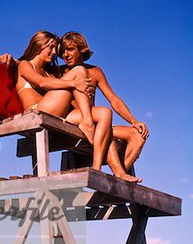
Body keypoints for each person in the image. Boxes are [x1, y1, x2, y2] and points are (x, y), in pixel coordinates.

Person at [4, 31, 112, 171]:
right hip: (36, 112)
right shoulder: (25, 65)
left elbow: (51, 83)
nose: (55, 52)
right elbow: (41, 83)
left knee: (105, 113)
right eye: (51, 47)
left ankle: (96, 168)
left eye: (56, 48)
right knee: (79, 71)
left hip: (54, 112)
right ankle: (87, 122)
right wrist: (75, 84)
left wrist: (82, 87)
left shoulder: (49, 71)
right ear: (39, 45)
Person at [58, 32, 149, 183]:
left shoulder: (95, 71)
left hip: (97, 119)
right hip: (79, 122)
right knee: (105, 129)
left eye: (70, 50)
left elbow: (113, 99)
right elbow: (36, 72)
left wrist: (133, 120)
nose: (65, 55)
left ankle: (117, 180)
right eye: (63, 52)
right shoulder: (60, 72)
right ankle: (118, 173)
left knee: (139, 134)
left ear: (81, 49)